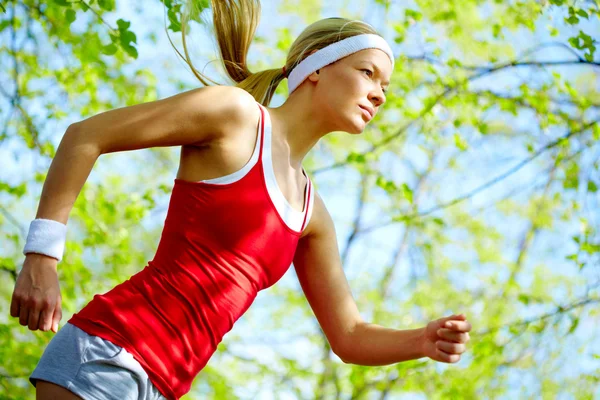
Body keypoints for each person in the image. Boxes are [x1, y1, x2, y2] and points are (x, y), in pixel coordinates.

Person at [10, 1, 472, 399]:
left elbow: (348, 335)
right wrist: (42, 255)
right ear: (315, 65)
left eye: (385, 87)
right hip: (110, 352)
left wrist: (422, 340)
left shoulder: (313, 215)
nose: (378, 93)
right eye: (368, 72)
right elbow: (85, 136)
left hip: (163, 385)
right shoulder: (235, 117)